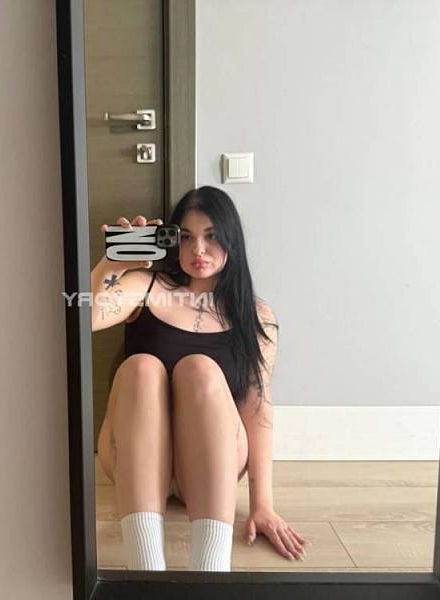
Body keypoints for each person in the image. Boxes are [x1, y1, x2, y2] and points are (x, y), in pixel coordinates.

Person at [91, 186, 307, 571]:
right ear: (171, 240)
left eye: (211, 236)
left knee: (199, 369)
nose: (199, 250)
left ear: (231, 240)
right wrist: (111, 265)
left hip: (211, 465)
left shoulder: (256, 316)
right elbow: (86, 319)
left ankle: (210, 572)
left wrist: (263, 504)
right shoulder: (146, 286)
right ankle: (146, 574)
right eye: (186, 237)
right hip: (136, 460)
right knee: (140, 368)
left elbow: (257, 407)